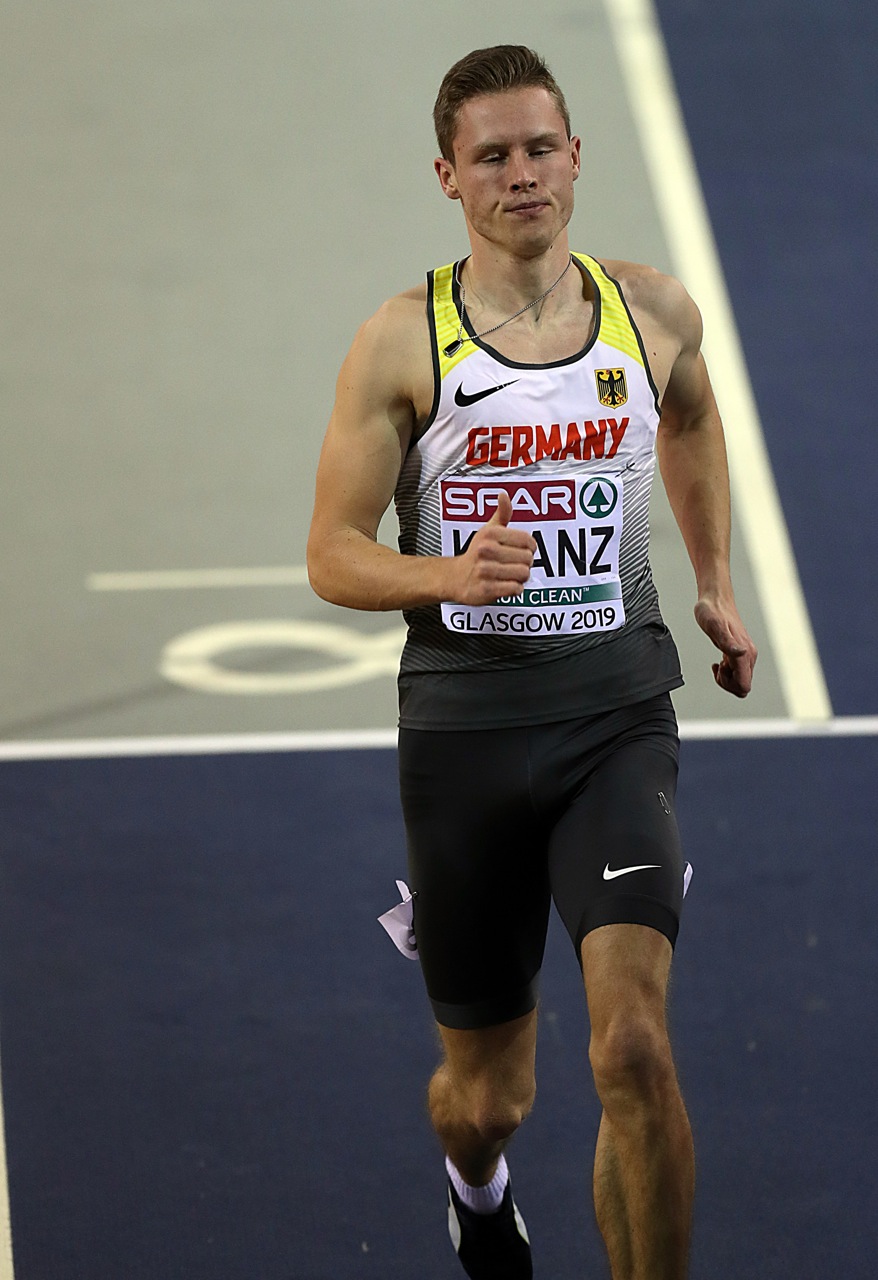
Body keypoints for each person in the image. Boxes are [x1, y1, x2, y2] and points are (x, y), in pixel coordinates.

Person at [307, 44, 756, 1280]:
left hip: (613, 711)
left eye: (540, 148)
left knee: (632, 1049)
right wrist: (442, 574)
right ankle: (475, 1183)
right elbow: (332, 553)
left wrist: (712, 582)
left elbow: (689, 417)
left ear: (575, 156)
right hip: (464, 737)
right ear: (447, 177)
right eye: (491, 156)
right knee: (487, 1095)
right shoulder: (402, 342)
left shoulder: (651, 311)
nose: (521, 174)